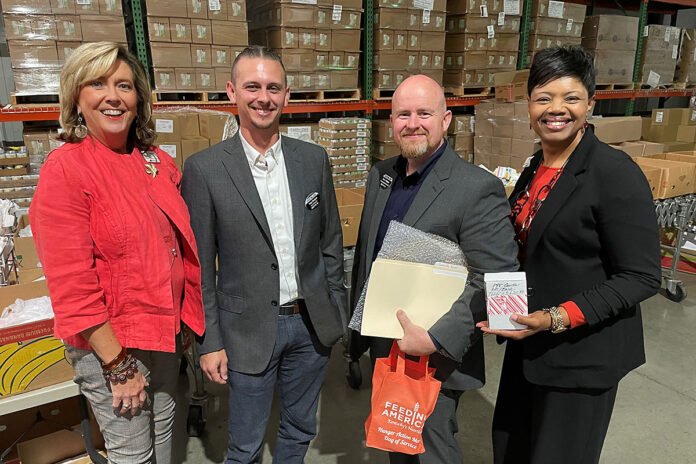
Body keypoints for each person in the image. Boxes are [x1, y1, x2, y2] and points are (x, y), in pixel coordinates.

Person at [478, 46, 661, 464]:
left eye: (571, 98)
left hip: (581, 359)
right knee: (511, 450)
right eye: (543, 97)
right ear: (528, 105)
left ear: (590, 104)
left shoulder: (613, 173)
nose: (555, 109)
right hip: (529, 348)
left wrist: (554, 317)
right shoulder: (534, 167)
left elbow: (640, 276)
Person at [29, 42, 205, 463]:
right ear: (76, 97)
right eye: (98, 83)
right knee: (133, 454)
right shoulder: (67, 168)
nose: (113, 96)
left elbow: (173, 248)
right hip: (112, 346)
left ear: (138, 99)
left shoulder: (157, 161)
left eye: (124, 85)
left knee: (166, 443)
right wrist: (118, 367)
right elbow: (72, 287)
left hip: (163, 336)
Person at [181, 45, 346, 464]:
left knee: (298, 431)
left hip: (310, 327)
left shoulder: (312, 160)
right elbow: (199, 266)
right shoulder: (205, 169)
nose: (263, 98)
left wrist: (335, 309)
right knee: (246, 445)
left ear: (287, 94)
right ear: (231, 92)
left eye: (273, 87)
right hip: (246, 330)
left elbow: (330, 242)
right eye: (252, 87)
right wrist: (210, 340)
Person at [351, 74, 519, 463]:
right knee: (398, 448)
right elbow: (368, 254)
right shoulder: (381, 175)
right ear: (390, 122)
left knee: (431, 451)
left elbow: (495, 276)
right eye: (402, 114)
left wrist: (437, 339)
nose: (412, 123)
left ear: (446, 120)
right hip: (384, 342)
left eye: (424, 113)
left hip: (434, 355)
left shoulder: (476, 187)